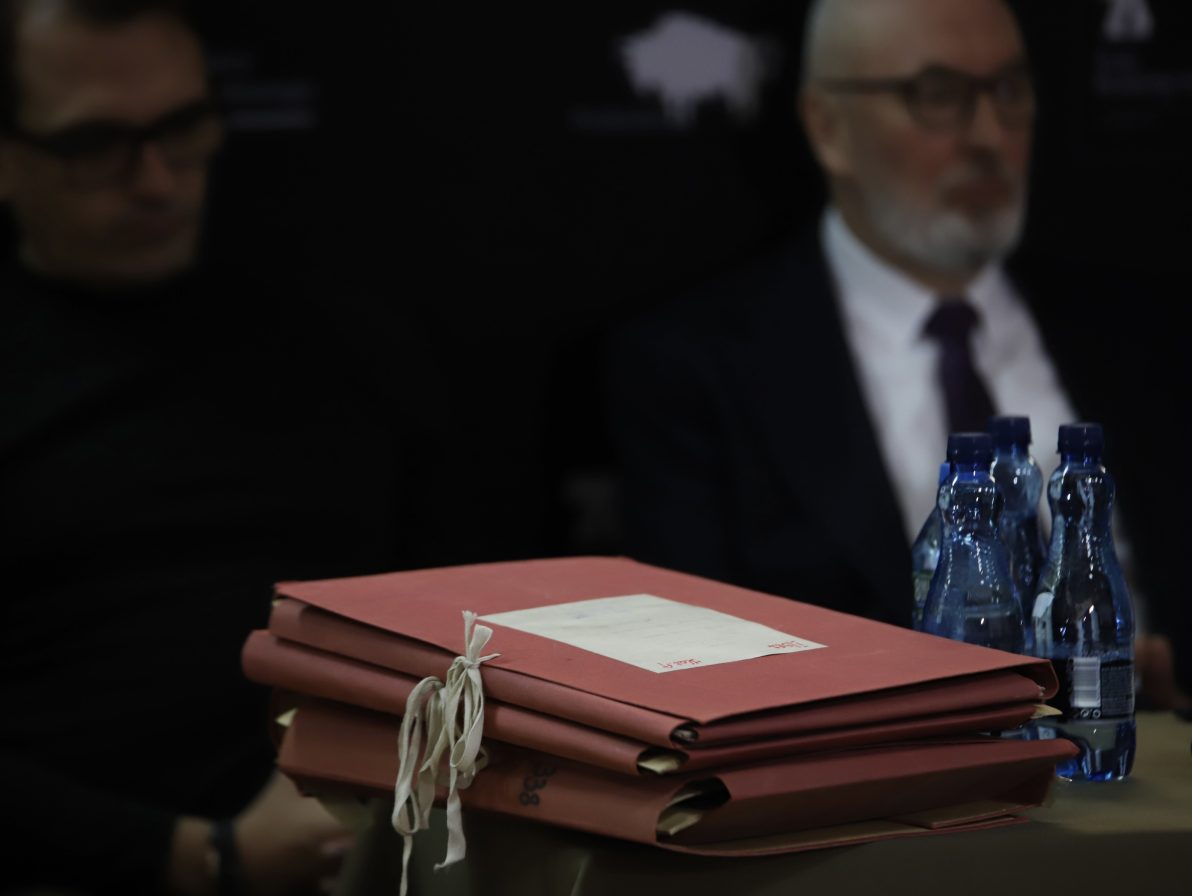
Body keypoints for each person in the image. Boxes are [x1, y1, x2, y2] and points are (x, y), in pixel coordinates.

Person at [606, 0, 1188, 703]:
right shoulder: (697, 365)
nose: (990, 134)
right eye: (937, 95)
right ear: (829, 126)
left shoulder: (1145, 333)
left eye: (1008, 89)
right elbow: (689, 670)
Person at [0, 0, 408, 891]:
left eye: (181, 129)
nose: (157, 181)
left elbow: (463, 614)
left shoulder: (337, 348)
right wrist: (193, 858)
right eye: (94, 145)